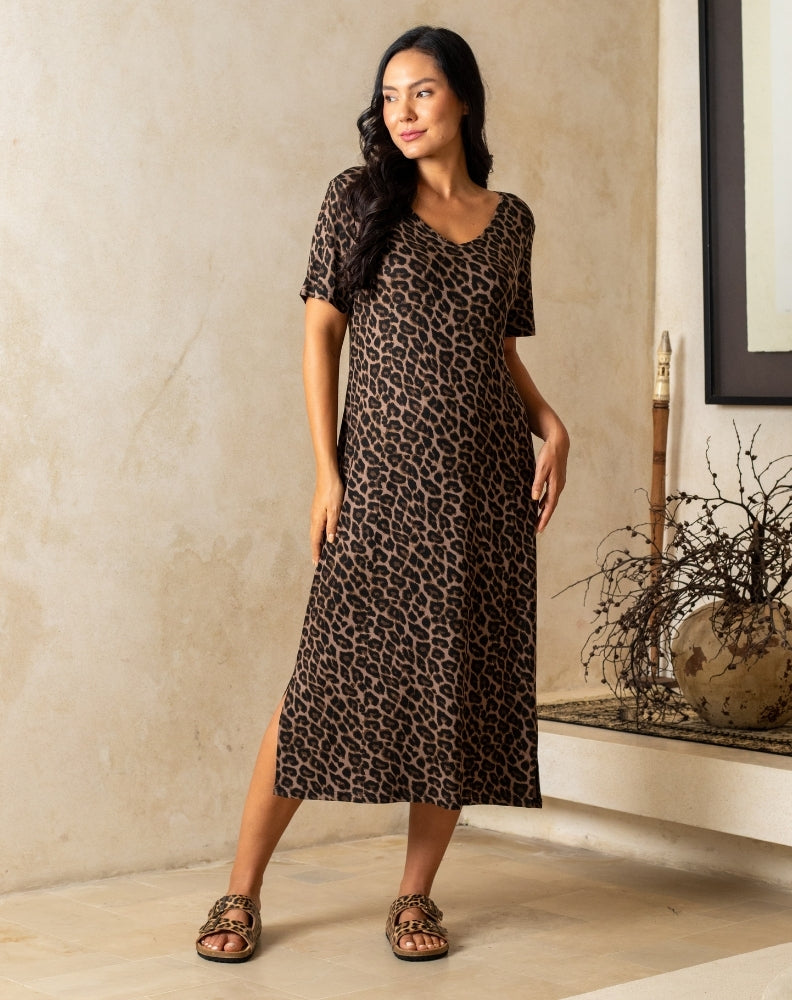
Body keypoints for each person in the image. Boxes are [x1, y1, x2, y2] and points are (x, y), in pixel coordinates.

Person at [196, 24, 569, 965]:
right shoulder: (359, 201)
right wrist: (328, 471)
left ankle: (414, 898)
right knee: (320, 683)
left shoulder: (511, 219)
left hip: (486, 490)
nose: (403, 112)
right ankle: (240, 892)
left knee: (456, 690)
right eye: (391, 95)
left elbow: (499, 350)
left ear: (464, 101)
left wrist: (549, 421)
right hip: (382, 488)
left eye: (424, 93)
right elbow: (321, 333)